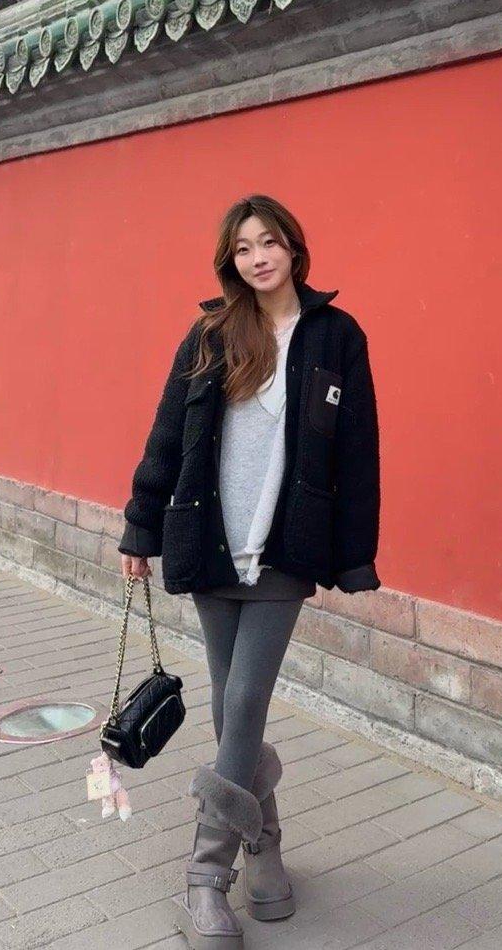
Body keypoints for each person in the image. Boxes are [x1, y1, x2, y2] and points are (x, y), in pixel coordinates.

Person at [118, 193, 381, 950]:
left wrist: (354, 554)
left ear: (293, 248)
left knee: (243, 698)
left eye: (269, 242)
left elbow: (359, 449)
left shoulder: (336, 335)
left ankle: (206, 875)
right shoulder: (211, 333)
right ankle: (264, 847)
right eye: (243, 247)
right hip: (210, 539)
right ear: (229, 260)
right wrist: (140, 525)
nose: (258, 257)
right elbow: (167, 434)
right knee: (230, 712)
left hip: (285, 548)